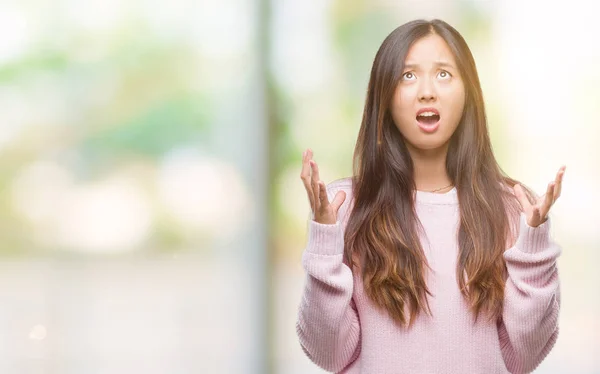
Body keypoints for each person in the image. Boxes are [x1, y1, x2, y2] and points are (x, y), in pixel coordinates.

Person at [296, 19, 566, 374]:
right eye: (408, 76)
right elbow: (329, 354)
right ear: (384, 96)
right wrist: (325, 244)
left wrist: (533, 253)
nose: (427, 91)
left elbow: (524, 356)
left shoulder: (511, 208)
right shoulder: (345, 207)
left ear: (468, 92)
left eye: (443, 74)